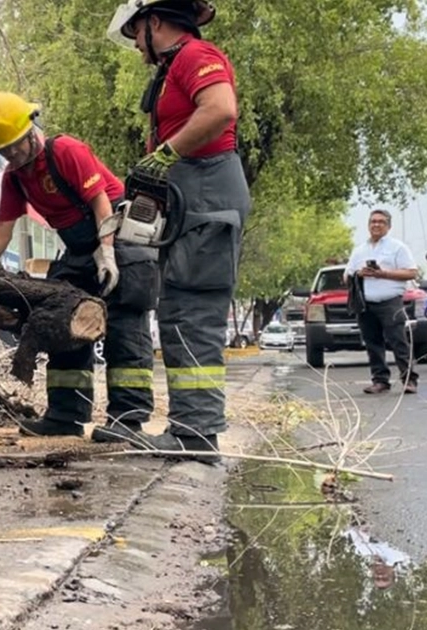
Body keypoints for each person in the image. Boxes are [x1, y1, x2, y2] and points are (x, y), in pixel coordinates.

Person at [0, 91, 159, 442]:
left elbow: (101, 201)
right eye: (3, 150)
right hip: (76, 247)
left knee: (123, 326)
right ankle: (65, 414)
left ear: (30, 130)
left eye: (14, 146)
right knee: (62, 318)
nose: (11, 155)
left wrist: (108, 253)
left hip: (117, 235)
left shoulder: (66, 151)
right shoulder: (15, 178)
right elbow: (2, 231)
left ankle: (128, 420)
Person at [106, 0, 251, 461]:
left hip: (208, 189)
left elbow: (221, 109)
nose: (136, 47)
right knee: (178, 312)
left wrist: (166, 154)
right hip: (193, 194)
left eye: (135, 35)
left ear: (153, 21)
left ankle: (196, 434)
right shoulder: (174, 68)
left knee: (193, 314)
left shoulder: (194, 57)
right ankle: (192, 428)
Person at [345, 209, 420, 394]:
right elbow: (346, 276)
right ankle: (380, 380)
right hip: (365, 303)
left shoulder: (398, 247)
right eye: (373, 221)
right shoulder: (359, 250)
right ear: (368, 225)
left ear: (388, 226)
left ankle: (409, 379)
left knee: (398, 341)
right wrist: (359, 274)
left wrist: (383, 273)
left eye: (381, 222)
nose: (376, 225)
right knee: (372, 343)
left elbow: (411, 272)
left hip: (390, 302)